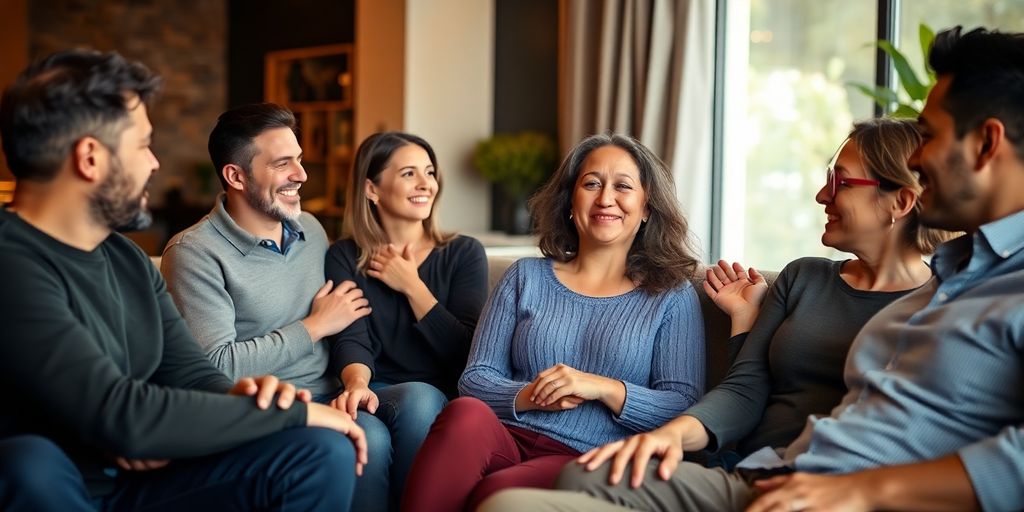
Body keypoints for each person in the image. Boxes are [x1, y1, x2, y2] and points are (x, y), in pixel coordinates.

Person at [480, 26, 1024, 512]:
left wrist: (864, 490)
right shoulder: (937, 279)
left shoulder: (968, 288)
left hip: (831, 489)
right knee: (570, 480)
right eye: (591, 183)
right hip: (774, 470)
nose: (920, 160)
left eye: (928, 136)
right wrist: (678, 430)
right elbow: (752, 391)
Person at [0, 50, 366, 511]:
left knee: (318, 452)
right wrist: (296, 413)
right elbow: (117, 414)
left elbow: (191, 373)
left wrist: (250, 397)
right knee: (27, 462)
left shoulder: (125, 258)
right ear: (90, 158)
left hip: (145, 479)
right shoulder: (11, 262)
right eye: (142, 145)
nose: (154, 164)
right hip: (60, 487)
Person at [402, 133, 707, 511]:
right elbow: (475, 379)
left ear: (646, 207)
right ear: (570, 201)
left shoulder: (671, 295)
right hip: (506, 435)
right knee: (464, 413)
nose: (605, 198)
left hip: (588, 458)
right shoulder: (525, 276)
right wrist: (530, 397)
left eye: (623, 186)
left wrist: (602, 388)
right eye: (591, 183)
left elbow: (684, 405)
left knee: (495, 493)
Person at [650, 117, 953, 473]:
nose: (822, 195)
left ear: (899, 202)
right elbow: (744, 392)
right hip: (745, 469)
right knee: (589, 475)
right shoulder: (804, 277)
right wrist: (670, 435)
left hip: (830, 486)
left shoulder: (943, 305)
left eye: (840, 182)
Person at [161, 103, 369, 406]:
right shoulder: (193, 253)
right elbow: (215, 367)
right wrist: (316, 326)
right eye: (283, 164)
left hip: (333, 389)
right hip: (267, 405)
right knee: (371, 437)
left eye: (298, 159)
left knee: (419, 400)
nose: (302, 175)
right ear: (236, 176)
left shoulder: (310, 229)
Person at [326, 131, 489, 511]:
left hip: (438, 393)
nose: (426, 184)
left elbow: (466, 352)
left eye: (430, 172)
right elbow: (350, 337)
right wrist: (356, 385)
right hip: (371, 387)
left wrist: (412, 287)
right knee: (368, 437)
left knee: (418, 398)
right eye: (408, 174)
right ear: (372, 189)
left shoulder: (463, 254)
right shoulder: (344, 256)